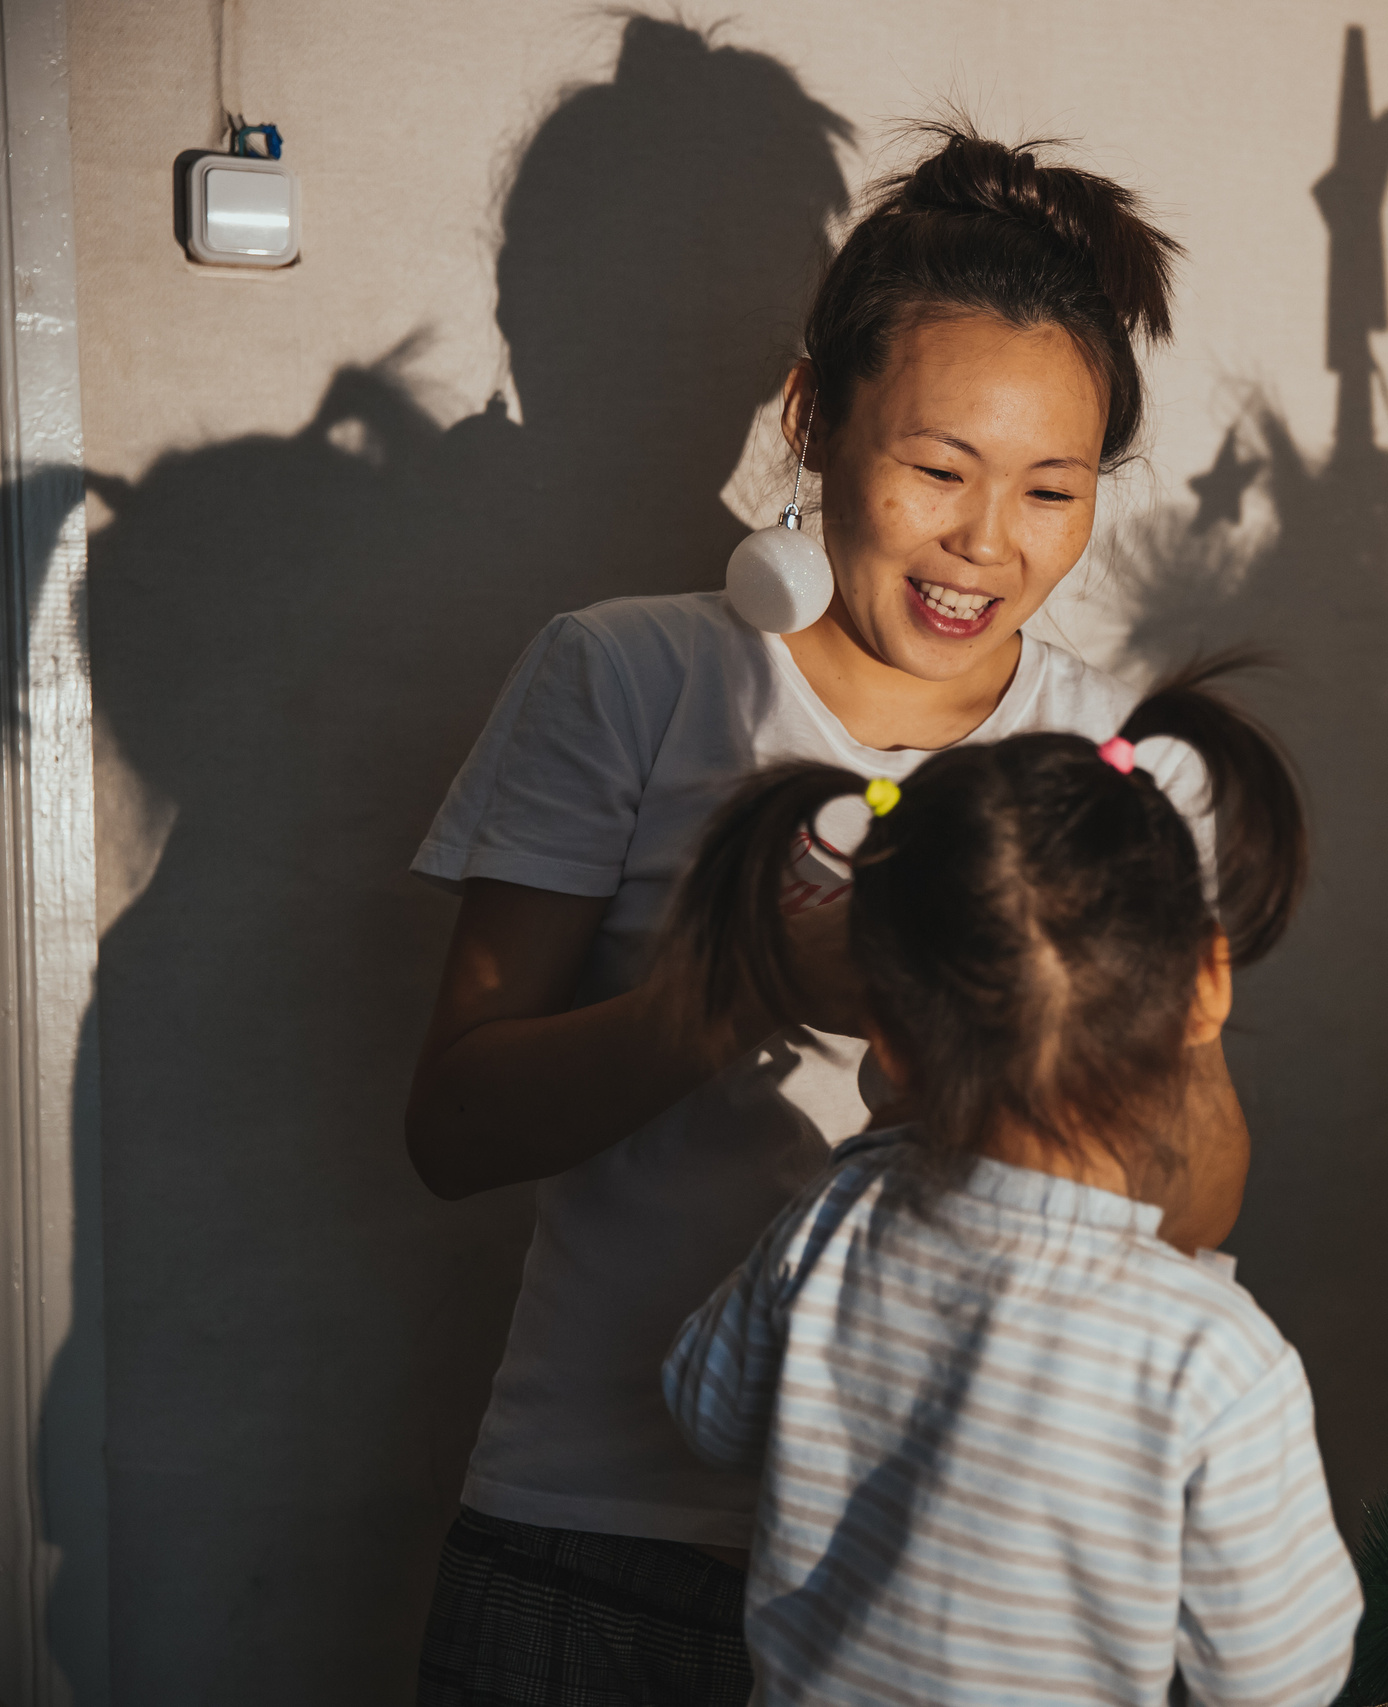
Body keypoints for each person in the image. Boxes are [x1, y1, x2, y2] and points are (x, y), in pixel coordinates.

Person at [406, 127, 1216, 1704]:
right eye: (938, 470)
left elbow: (1186, 1205)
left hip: (967, 1569)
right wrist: (753, 982)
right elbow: (453, 1123)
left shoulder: (1118, 758)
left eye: (1054, 488)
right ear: (811, 419)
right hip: (600, 1549)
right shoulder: (627, 675)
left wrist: (1115, 1056)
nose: (992, 542)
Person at [661, 663, 1360, 1703]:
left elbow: (704, 1412)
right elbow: (1278, 1679)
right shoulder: (1210, 1356)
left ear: (888, 1038)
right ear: (1205, 983)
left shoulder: (839, 1218)